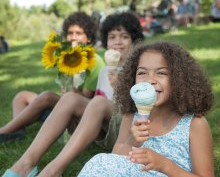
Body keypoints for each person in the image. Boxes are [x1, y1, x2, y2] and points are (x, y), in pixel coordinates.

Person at [2, 12, 144, 177]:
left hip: (129, 133)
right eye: (112, 37)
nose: (117, 42)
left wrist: (123, 87)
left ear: (134, 39)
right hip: (105, 128)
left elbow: (144, 107)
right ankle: (24, 165)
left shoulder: (141, 66)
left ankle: (53, 171)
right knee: (70, 98)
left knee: (97, 102)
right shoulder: (106, 69)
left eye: (124, 36)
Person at [78, 41, 214, 177]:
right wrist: (132, 141)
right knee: (100, 160)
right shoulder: (131, 116)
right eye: (142, 73)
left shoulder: (194, 124)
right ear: (132, 79)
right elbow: (115, 162)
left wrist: (164, 165)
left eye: (161, 73)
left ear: (179, 79)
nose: (150, 80)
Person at [0, 11, 105, 143]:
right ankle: (17, 131)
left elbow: (84, 100)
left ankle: (4, 131)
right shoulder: (67, 56)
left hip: (80, 115)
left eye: (78, 34)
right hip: (63, 106)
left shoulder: (94, 61)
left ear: (88, 38)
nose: (73, 37)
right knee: (22, 96)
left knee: (47, 96)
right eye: (70, 33)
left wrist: (71, 83)